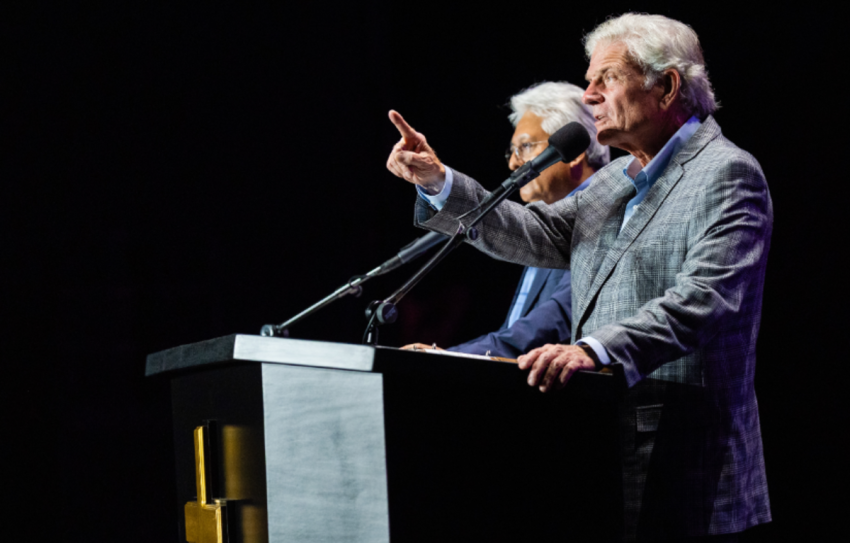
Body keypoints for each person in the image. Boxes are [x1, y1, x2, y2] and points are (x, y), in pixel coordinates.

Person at [385, 13, 771, 542]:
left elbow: (704, 300)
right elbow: (529, 233)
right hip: (598, 448)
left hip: (687, 462)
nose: (589, 96)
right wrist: (438, 181)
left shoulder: (727, 173)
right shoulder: (615, 178)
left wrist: (595, 349)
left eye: (605, 79)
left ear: (667, 85)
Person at [403, 82, 609, 358]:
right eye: (511, 151)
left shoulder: (606, 213)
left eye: (524, 146)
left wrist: (452, 358)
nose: (513, 163)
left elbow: (556, 321)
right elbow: (519, 330)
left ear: (574, 152)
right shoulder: (548, 221)